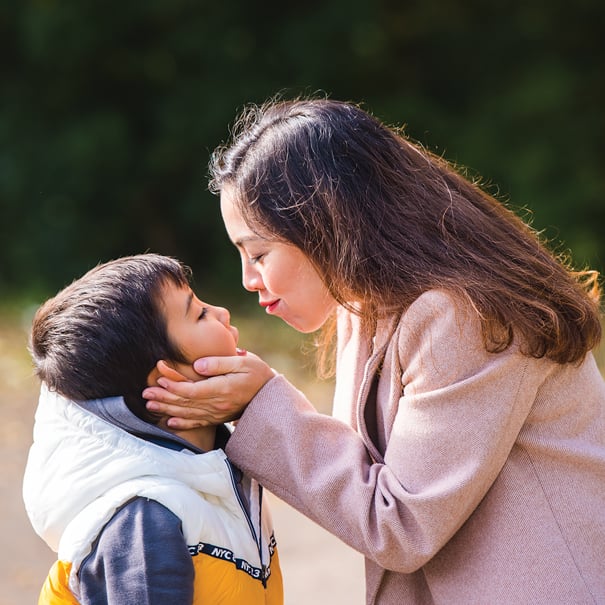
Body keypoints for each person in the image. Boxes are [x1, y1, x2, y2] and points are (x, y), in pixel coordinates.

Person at [143, 98, 605, 604]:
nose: (248, 280)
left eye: (258, 253)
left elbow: (401, 524)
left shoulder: (462, 317)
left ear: (326, 224)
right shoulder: (365, 304)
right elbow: (366, 481)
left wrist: (259, 405)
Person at [23, 253, 283, 605]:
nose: (222, 312)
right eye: (200, 314)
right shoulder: (144, 523)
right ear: (166, 379)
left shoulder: (215, 476)